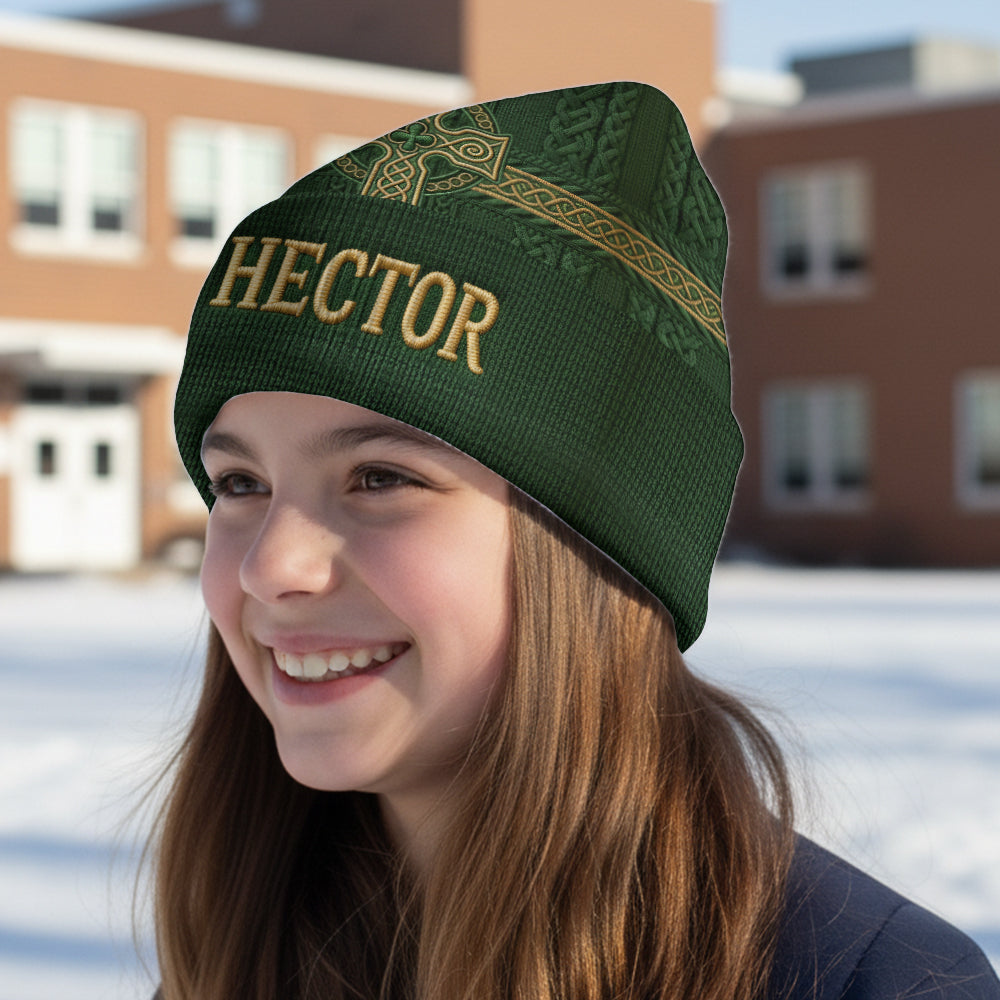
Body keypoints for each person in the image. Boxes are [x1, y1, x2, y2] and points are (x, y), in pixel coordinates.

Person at [158, 82, 999, 1000]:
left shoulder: (875, 984)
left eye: (381, 478)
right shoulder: (244, 949)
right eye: (240, 483)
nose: (271, 565)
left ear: (594, 545)